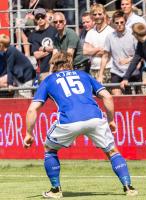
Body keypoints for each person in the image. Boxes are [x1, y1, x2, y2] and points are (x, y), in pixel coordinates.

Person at [23, 52, 138, 198]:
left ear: (53, 65)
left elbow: (33, 109)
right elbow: (107, 96)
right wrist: (111, 120)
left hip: (68, 121)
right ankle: (129, 187)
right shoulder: (83, 75)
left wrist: (29, 133)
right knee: (112, 151)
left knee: (49, 148)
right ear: (70, 64)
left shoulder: (49, 80)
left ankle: (56, 190)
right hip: (95, 118)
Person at [99, 10, 141, 95]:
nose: (119, 25)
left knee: (134, 98)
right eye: (117, 23)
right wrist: (100, 74)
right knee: (117, 97)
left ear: (125, 22)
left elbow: (140, 54)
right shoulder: (110, 37)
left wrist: (129, 59)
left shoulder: (133, 34)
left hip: (132, 71)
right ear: (113, 23)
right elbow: (105, 56)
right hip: (116, 71)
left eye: (122, 22)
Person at [83, 4, 114, 82]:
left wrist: (92, 51)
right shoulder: (90, 32)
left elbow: (109, 53)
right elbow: (85, 51)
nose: (97, 16)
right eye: (95, 14)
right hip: (93, 69)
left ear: (104, 14)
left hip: (108, 68)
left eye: (99, 14)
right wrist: (98, 49)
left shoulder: (110, 31)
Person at [28, 8, 57, 81]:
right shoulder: (35, 34)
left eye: (42, 17)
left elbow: (59, 48)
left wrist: (44, 49)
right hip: (44, 70)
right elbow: (36, 55)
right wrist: (52, 49)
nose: (40, 19)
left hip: (57, 68)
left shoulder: (54, 30)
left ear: (46, 17)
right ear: (35, 19)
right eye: (38, 17)